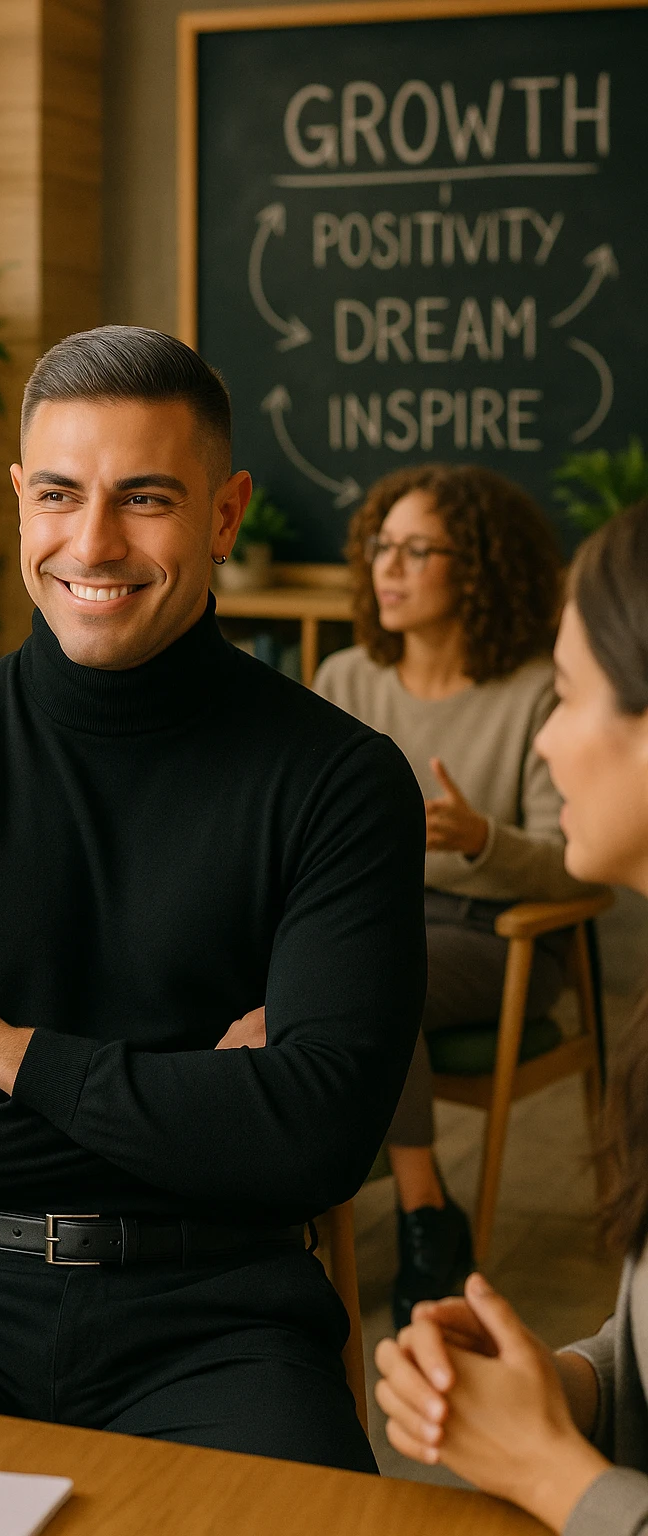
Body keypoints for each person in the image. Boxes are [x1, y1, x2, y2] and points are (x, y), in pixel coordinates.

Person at [0, 326, 426, 1473]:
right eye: (59, 493)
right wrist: (205, 1102)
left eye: (148, 498)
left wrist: (9, 1052)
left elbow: (313, 1139)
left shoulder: (339, 782)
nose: (94, 541)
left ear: (223, 515)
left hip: (217, 1325)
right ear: (21, 501)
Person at [374, 500, 648, 1535]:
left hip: (495, 935)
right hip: (387, 919)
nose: (546, 736)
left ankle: (418, 1215)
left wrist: (548, 1473)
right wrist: (565, 1386)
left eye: (569, 698)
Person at [314, 464, 592, 1327]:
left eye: (416, 550)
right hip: (365, 922)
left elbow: (574, 866)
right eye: (379, 547)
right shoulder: (347, 677)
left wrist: (482, 842)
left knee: (368, 975)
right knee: (338, 961)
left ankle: (421, 1206)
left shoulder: (537, 691)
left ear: (477, 565)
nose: (386, 569)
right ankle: (336, 1197)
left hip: (499, 936)